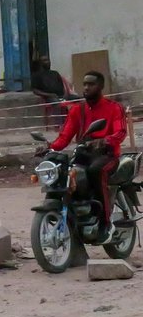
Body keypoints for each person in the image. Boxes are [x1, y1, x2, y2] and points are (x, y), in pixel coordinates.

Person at [37, 70, 126, 241]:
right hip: (84, 153)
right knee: (65, 173)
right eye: (84, 84)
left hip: (107, 155)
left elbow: (120, 132)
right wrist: (49, 147)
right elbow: (64, 137)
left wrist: (105, 141)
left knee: (95, 171)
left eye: (91, 84)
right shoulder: (78, 110)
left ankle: (105, 223)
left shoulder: (113, 107)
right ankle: (74, 213)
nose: (86, 88)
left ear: (100, 86)